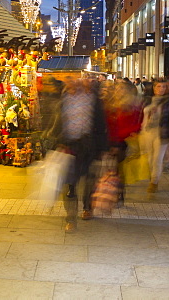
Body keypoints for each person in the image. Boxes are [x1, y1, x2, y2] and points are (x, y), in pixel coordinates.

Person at [53, 76, 108, 231]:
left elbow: (101, 123)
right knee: (70, 182)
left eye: (75, 84)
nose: (73, 86)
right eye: (69, 84)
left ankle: (87, 208)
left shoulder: (93, 99)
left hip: (90, 145)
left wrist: (103, 149)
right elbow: (57, 124)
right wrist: (57, 143)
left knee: (89, 180)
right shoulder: (63, 100)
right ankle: (71, 217)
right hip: (70, 146)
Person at [106, 79, 143, 204]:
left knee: (118, 168)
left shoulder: (132, 105)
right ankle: (115, 190)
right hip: (110, 139)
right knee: (112, 168)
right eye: (117, 88)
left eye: (121, 89)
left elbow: (138, 124)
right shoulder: (110, 102)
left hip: (123, 141)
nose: (117, 90)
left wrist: (124, 135)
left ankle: (119, 192)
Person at [141, 79, 169, 193]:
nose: (161, 89)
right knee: (149, 158)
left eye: (163, 87)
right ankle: (152, 177)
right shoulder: (148, 100)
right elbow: (140, 115)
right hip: (147, 132)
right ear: (154, 88)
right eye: (158, 86)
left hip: (162, 133)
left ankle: (154, 182)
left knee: (157, 159)